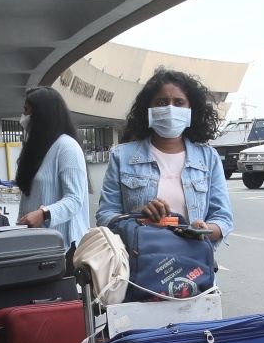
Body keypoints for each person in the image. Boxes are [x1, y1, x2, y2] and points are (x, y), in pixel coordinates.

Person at [95, 68, 234, 241]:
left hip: (193, 260)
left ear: (191, 109)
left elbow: (223, 219)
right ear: (148, 109)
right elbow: (105, 216)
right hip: (140, 262)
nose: (170, 109)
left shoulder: (208, 158)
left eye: (179, 102)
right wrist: (136, 217)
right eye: (161, 102)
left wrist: (202, 231)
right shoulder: (121, 156)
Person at [13, 86, 89, 247]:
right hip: (37, 244)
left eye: (27, 110)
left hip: (63, 247)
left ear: (41, 113)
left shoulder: (67, 147)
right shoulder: (38, 149)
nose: (23, 116)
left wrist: (44, 214)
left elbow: (75, 199)